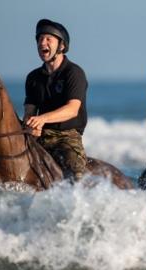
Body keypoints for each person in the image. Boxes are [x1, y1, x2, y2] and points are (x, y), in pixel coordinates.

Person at [23, 18, 88, 180]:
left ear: (62, 46)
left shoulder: (74, 73)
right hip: (39, 138)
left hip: (67, 138)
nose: (42, 42)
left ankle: (77, 201)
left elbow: (72, 109)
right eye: (39, 39)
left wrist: (42, 118)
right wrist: (30, 126)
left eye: (48, 39)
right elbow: (29, 112)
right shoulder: (33, 77)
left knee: (74, 173)